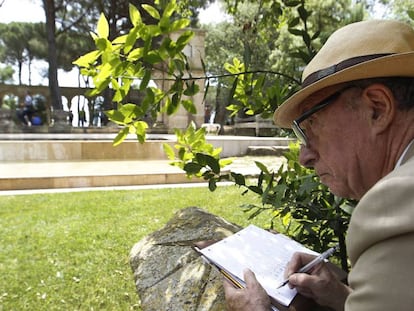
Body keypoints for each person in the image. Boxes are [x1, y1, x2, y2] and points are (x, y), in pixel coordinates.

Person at [224, 19, 414, 311]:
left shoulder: (395, 203)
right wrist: (345, 296)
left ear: (377, 108)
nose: (304, 156)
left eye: (311, 124)